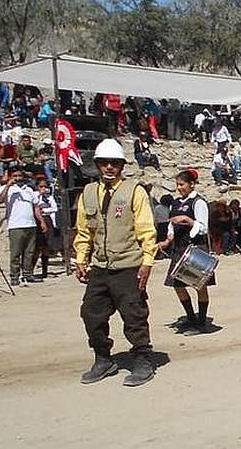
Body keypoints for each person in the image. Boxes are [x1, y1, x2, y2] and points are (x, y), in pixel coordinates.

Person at [74, 139, 158, 386]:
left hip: (128, 264)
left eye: (114, 163)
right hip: (100, 266)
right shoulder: (88, 193)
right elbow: (84, 231)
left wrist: (147, 262)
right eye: (104, 163)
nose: (109, 167)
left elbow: (146, 229)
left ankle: (143, 359)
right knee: (91, 313)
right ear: (97, 165)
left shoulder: (134, 191)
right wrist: (81, 258)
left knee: (134, 314)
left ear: (122, 165)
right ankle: (103, 358)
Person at [155, 170, 215, 334]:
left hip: (195, 247)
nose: (179, 188)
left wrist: (188, 220)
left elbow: (203, 227)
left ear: (191, 184)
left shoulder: (198, 202)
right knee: (177, 285)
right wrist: (167, 240)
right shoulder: (175, 203)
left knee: (199, 286)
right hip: (179, 248)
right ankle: (191, 318)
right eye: (177, 185)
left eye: (182, 184)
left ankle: (201, 322)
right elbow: (171, 225)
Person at [0, 166, 46, 285]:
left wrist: (41, 221)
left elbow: (36, 207)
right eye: (15, 176)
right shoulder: (6, 189)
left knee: (29, 252)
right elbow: (0, 200)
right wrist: (8, 185)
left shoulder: (28, 189)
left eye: (20, 176)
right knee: (16, 253)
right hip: (16, 225)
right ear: (10, 176)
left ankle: (28, 274)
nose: (18, 178)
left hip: (30, 224)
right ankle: (14, 276)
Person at [33, 178, 58, 279]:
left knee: (46, 247)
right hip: (37, 221)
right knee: (36, 247)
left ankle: (45, 270)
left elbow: (54, 208)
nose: (43, 189)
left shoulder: (49, 197)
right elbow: (36, 206)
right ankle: (29, 270)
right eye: (41, 187)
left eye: (45, 187)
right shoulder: (34, 195)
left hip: (48, 220)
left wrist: (45, 210)